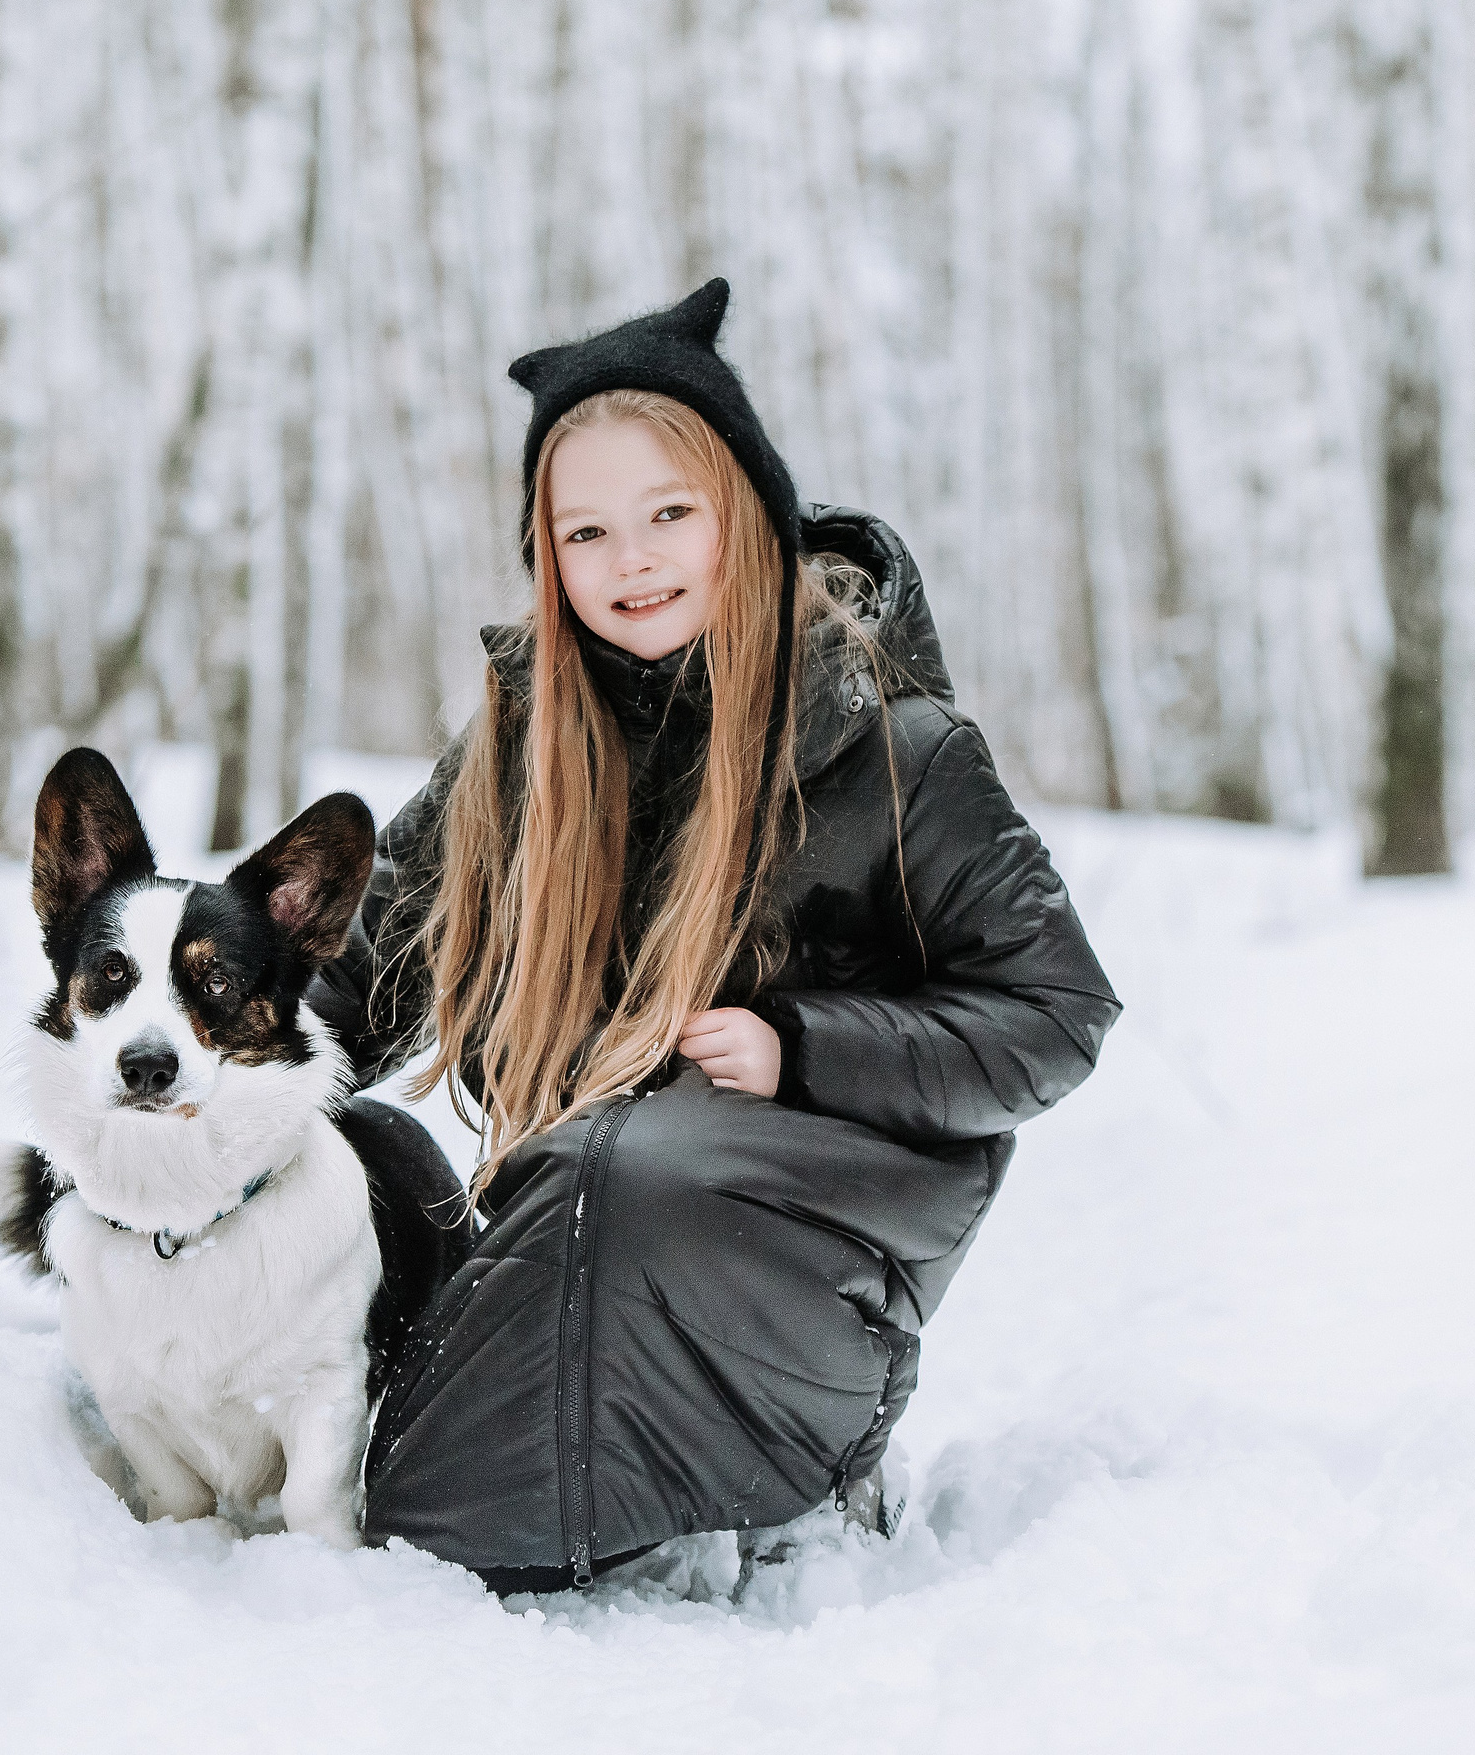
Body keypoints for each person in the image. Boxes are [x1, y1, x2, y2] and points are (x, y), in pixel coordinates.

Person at [307, 277, 1121, 1592]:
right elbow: (357, 973)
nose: (630, 561)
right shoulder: (526, 751)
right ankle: (459, 1476)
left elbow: (1056, 1013)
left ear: (745, 509)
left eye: (669, 515)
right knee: (360, 1153)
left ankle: (760, 1490)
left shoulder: (896, 751)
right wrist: (196, 1084)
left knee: (636, 1170)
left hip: (808, 1273)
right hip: (585, 1205)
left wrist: (811, 1047)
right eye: (585, 533)